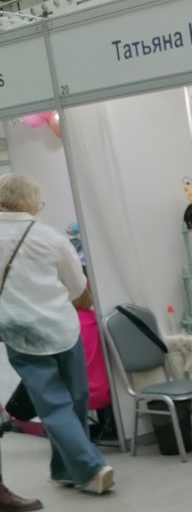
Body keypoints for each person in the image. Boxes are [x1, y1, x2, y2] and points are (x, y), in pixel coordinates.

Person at [0, 175, 114, 495]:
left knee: (53, 404)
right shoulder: (50, 237)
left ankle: (69, 469)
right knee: (74, 399)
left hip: (22, 333)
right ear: (31, 202)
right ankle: (89, 467)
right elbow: (78, 288)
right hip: (63, 328)